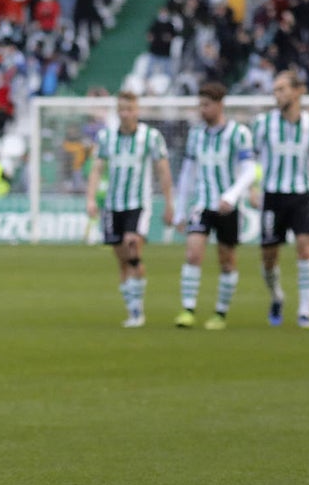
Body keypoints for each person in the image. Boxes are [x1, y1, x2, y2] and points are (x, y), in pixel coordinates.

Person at [86, 91, 174, 328]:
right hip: (113, 206)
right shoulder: (106, 137)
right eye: (122, 109)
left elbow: (163, 171)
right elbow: (96, 169)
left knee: (132, 247)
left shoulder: (151, 137)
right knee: (122, 260)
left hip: (138, 204)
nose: (126, 114)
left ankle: (138, 310)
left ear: (137, 111)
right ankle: (132, 309)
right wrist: (91, 199)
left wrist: (169, 203)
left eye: (130, 109)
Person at [171, 82, 255, 330]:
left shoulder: (239, 134)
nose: (202, 110)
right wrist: (179, 209)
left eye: (206, 105)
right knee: (193, 253)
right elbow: (188, 173)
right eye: (200, 105)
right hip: (202, 203)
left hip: (227, 206)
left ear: (220, 105)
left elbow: (249, 170)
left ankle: (220, 312)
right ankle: (187, 309)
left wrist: (232, 195)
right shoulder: (196, 135)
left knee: (227, 260)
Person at [251, 70, 309, 330]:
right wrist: (252, 187)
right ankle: (276, 296)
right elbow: (250, 159)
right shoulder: (263, 124)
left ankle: (305, 311)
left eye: (282, 89)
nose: (277, 95)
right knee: (268, 257)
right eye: (275, 90)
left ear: (298, 91)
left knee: (306, 248)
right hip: (272, 196)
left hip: (301, 195)